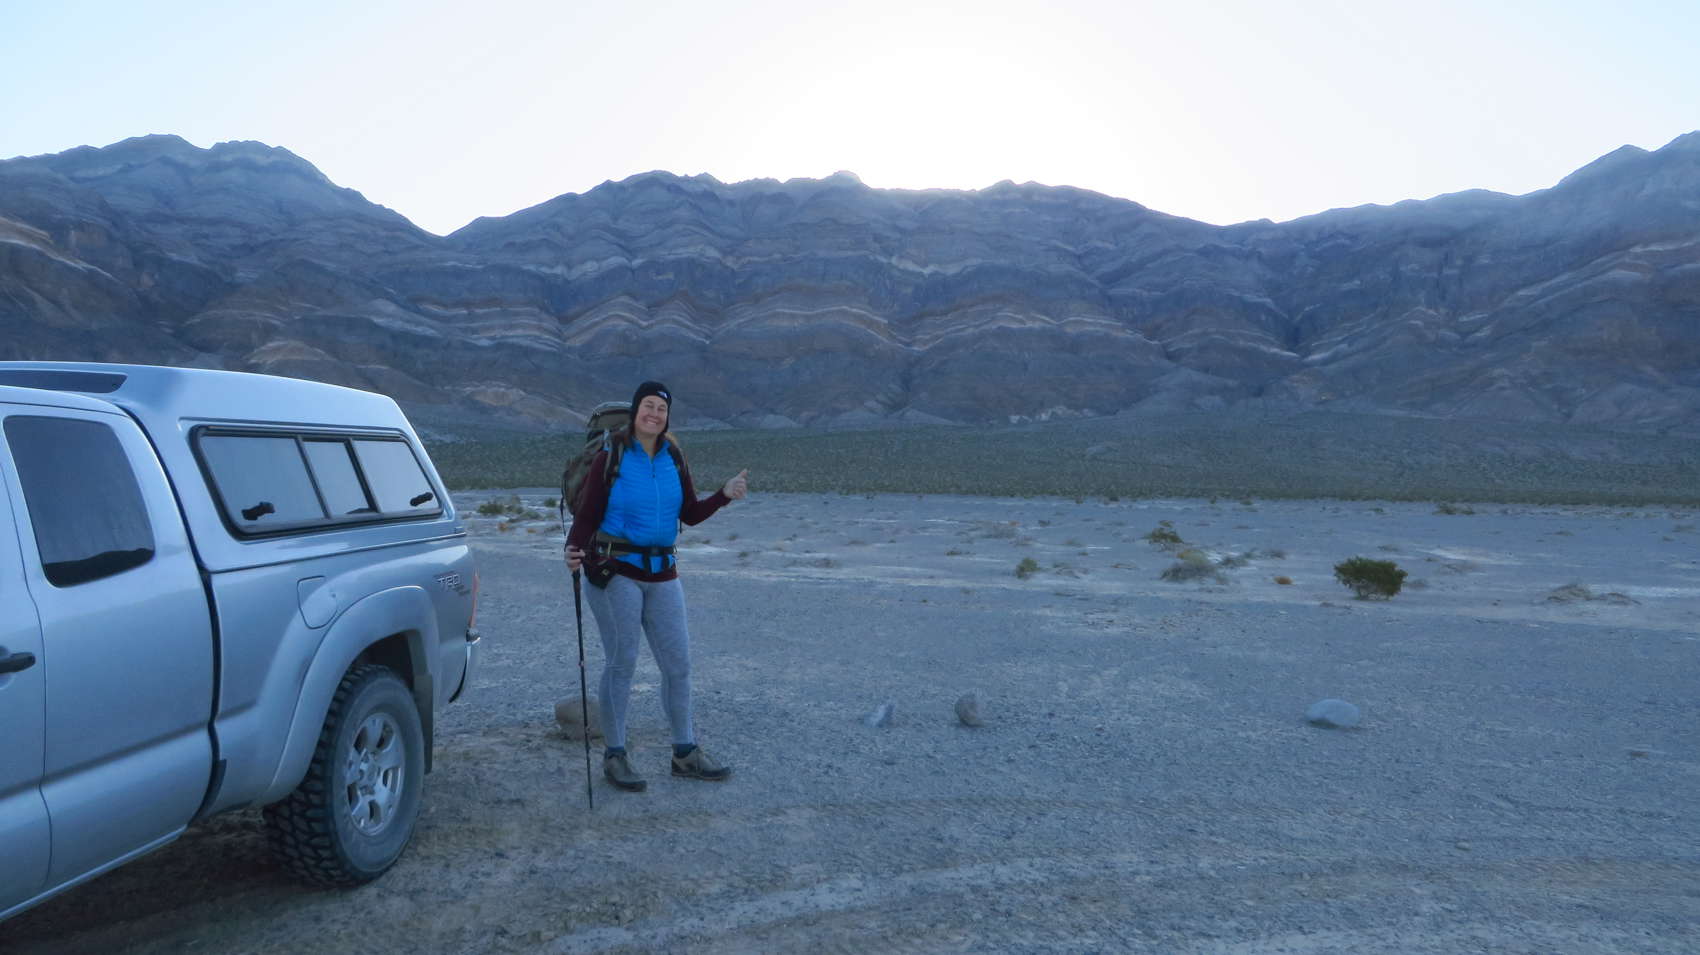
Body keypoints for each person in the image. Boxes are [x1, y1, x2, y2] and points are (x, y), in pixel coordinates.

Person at [565, 381, 749, 792]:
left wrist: (723, 495)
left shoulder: (673, 456)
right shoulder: (612, 455)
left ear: (668, 417)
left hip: (663, 572)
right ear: (635, 411)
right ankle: (615, 755)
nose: (654, 414)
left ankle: (685, 753)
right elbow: (588, 512)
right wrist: (572, 549)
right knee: (622, 663)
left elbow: (690, 513)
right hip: (615, 571)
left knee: (678, 666)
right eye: (648, 406)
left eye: (661, 409)